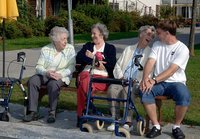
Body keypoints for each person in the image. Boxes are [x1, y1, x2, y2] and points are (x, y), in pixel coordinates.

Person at [140, 20, 190, 139]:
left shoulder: (182, 48)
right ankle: (156, 126)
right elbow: (150, 62)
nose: (156, 35)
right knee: (145, 92)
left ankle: (176, 127)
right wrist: (145, 79)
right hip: (160, 83)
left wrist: (153, 80)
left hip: (176, 82)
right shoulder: (157, 45)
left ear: (167, 33)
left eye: (158, 32)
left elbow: (172, 70)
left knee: (184, 95)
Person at [106, 25, 156, 131]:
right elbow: (118, 65)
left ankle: (128, 121)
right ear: (141, 34)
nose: (150, 37)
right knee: (112, 89)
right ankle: (115, 119)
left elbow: (151, 71)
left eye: (152, 36)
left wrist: (138, 81)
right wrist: (121, 77)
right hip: (122, 80)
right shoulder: (129, 49)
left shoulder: (150, 52)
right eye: (148, 34)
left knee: (127, 91)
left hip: (137, 83)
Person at [23, 26, 76, 123]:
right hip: (46, 74)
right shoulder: (45, 49)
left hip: (62, 76)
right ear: (55, 40)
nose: (65, 41)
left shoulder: (70, 49)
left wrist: (60, 74)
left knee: (53, 84)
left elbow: (72, 67)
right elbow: (39, 66)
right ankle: (32, 112)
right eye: (63, 39)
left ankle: (52, 112)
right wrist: (46, 72)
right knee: (33, 81)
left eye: (66, 38)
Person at [76, 23, 117, 127]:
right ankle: (89, 110)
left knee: (83, 84)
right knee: (85, 79)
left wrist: (91, 58)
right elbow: (79, 57)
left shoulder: (110, 48)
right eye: (92, 33)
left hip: (102, 79)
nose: (92, 36)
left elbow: (111, 65)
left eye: (94, 34)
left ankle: (82, 114)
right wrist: (97, 62)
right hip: (87, 76)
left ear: (102, 34)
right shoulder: (88, 46)